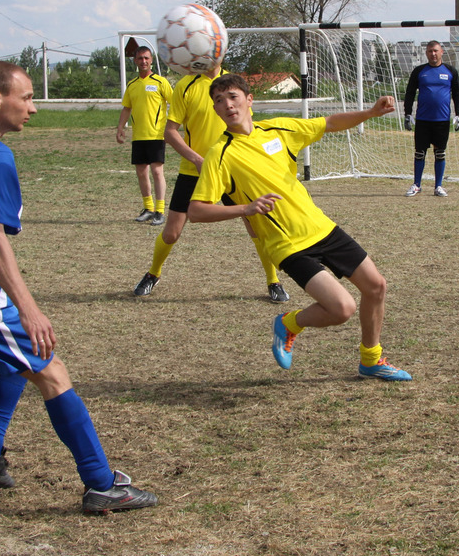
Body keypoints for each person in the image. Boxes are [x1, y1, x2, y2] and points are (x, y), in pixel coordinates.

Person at [0, 61, 157, 513]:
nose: (34, 108)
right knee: (51, 371)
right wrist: (28, 307)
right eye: (27, 97)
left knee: (15, 361)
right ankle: (101, 484)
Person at [188, 74, 412, 382]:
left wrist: (369, 113)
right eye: (219, 101)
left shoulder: (280, 129)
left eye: (233, 96)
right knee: (341, 308)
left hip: (320, 227)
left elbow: (329, 123)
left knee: (376, 286)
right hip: (286, 245)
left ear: (249, 100)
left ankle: (371, 360)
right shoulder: (220, 154)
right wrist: (246, 208)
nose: (227, 105)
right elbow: (196, 211)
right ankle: (289, 323)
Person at [132, 66, 289, 303]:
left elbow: (248, 125)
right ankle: (153, 273)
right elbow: (170, 132)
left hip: (233, 168)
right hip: (194, 171)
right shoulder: (185, 85)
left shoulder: (232, 83)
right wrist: (196, 159)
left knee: (256, 227)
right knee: (172, 233)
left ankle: (273, 280)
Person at [116, 46, 173, 226]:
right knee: (141, 172)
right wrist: (120, 128)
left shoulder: (160, 82)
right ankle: (148, 208)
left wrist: (171, 128)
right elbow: (127, 108)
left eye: (146, 58)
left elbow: (175, 104)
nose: (143, 61)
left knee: (157, 171)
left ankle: (160, 211)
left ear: (151, 59)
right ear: (135, 61)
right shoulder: (132, 85)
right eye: (140, 58)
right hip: (138, 136)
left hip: (156, 135)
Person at [402, 40, 459, 197]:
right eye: (429, 51)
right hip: (423, 120)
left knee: (440, 153)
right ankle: (416, 185)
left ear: (442, 52)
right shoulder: (419, 71)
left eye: (435, 51)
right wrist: (407, 114)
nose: (433, 54)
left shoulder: (450, 71)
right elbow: (409, 92)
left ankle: (438, 186)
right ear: (426, 53)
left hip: (442, 120)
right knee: (420, 152)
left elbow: (457, 93)